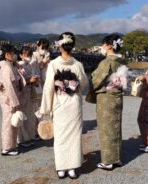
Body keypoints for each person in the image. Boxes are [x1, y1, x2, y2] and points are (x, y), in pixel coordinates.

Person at [40, 32, 88, 179]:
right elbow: (84, 83)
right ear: (72, 46)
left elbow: (49, 87)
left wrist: (45, 109)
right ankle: (72, 168)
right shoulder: (78, 64)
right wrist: (74, 87)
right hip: (73, 104)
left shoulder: (54, 64)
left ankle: (61, 168)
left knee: (60, 137)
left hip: (59, 104)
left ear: (60, 46)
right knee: (74, 136)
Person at [91, 34, 126, 170]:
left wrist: (92, 78)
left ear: (110, 46)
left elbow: (96, 79)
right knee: (116, 126)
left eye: (104, 44)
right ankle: (116, 158)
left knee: (106, 128)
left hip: (107, 98)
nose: (102, 47)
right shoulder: (122, 60)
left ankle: (108, 161)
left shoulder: (107, 62)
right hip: (118, 95)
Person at [0, 44, 25, 156]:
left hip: (10, 96)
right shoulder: (6, 68)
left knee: (12, 122)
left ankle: (11, 146)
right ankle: (6, 148)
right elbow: (9, 87)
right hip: (8, 98)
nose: (15, 55)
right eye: (13, 53)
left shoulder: (10, 65)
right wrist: (14, 103)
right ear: (7, 55)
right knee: (8, 123)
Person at [17, 46, 40, 147]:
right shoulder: (19, 65)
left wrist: (35, 81)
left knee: (30, 116)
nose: (28, 57)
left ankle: (29, 137)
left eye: (29, 55)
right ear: (21, 55)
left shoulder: (29, 65)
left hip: (30, 92)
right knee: (24, 116)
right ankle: (22, 139)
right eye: (26, 55)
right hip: (23, 94)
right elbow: (18, 81)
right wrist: (28, 81)